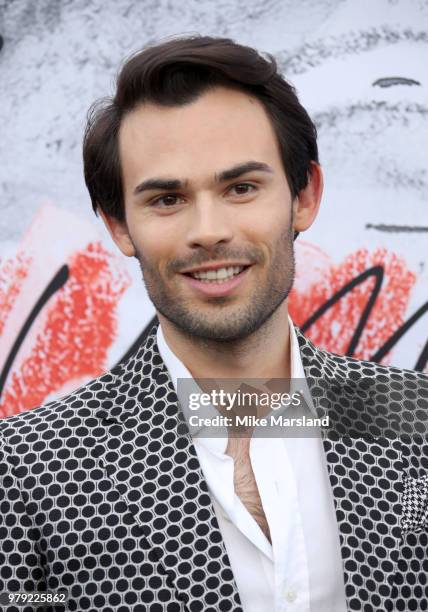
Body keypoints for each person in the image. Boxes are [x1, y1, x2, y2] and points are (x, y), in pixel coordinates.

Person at [0, 35, 427, 612]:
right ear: (120, 226)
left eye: (241, 188)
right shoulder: (27, 469)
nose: (209, 230)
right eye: (167, 199)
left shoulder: (413, 423)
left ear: (304, 196)